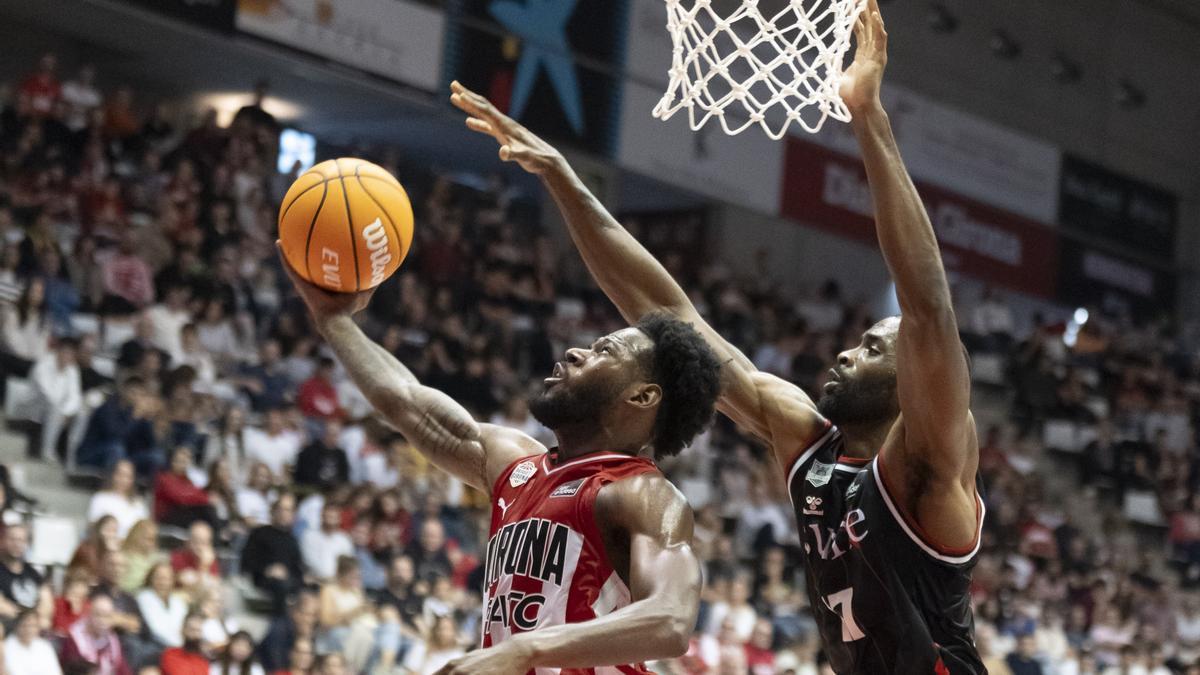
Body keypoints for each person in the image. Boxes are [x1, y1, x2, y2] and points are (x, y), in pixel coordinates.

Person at [448, 3, 983, 671]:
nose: (847, 350)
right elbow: (668, 312)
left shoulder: (928, 466)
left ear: (913, 381)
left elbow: (928, 307)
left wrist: (867, 117)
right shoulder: (806, 443)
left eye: (876, 348)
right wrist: (563, 178)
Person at [278, 206, 723, 674]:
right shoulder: (517, 463)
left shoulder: (644, 494)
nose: (574, 351)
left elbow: (670, 621)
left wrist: (524, 649)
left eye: (603, 351)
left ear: (643, 395)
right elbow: (405, 402)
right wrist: (333, 321)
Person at [240, 494, 304, 613]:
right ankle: (279, 624)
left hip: (288, 581)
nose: (284, 513)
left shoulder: (293, 540)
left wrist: (287, 574)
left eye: (288, 510)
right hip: (263, 579)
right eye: (280, 509)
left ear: (293, 515)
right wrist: (268, 570)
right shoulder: (259, 533)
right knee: (281, 586)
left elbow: (298, 570)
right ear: (273, 511)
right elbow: (247, 561)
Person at [60, 592, 133, 675]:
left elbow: (123, 670)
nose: (102, 621)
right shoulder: (75, 639)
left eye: (107, 616)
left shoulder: (112, 641)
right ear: (89, 615)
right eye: (98, 615)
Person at [153, 446, 217, 530]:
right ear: (172, 462)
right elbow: (181, 497)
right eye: (180, 461)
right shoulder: (164, 478)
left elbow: (195, 493)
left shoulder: (186, 479)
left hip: (183, 514)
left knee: (206, 510)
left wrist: (207, 498)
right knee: (204, 509)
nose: (183, 465)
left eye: (185, 462)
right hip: (167, 517)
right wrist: (206, 499)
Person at [89, 459, 151, 538]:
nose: (123, 480)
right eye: (120, 475)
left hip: (130, 548)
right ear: (113, 475)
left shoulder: (139, 504)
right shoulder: (100, 498)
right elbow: (93, 528)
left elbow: (144, 530)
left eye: (128, 476)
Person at [257, 592, 318, 673]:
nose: (311, 620)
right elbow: (276, 665)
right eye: (308, 614)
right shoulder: (278, 631)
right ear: (295, 613)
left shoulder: (308, 633)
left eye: (314, 615)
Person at [0, 523, 45, 621]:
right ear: (2, 541)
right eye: (12, 539)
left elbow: (45, 603)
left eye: (21, 540)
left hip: (32, 625)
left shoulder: (33, 573)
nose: (16, 544)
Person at [137, 563, 188, 649]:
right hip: (157, 646)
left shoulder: (178, 602)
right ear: (150, 579)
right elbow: (155, 629)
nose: (162, 582)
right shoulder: (144, 598)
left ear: (172, 581)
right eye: (158, 578)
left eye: (167, 578)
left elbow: (185, 627)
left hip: (181, 648)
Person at [300, 503, 353, 582]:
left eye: (334, 516)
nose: (331, 519)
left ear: (339, 518)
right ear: (322, 516)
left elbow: (347, 564)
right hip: (315, 581)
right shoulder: (309, 536)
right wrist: (327, 578)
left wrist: (336, 578)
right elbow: (309, 561)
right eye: (328, 515)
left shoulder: (344, 540)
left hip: (338, 583)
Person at [293, 419, 349, 492]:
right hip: (312, 490)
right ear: (324, 434)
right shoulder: (309, 452)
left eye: (336, 435)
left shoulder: (340, 454)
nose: (333, 438)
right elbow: (304, 475)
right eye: (330, 434)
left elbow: (344, 476)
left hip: (334, 491)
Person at [5, 609, 62, 674]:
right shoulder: (7, 647)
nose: (29, 630)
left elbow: (57, 672)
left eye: (33, 625)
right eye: (25, 625)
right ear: (17, 626)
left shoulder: (44, 645)